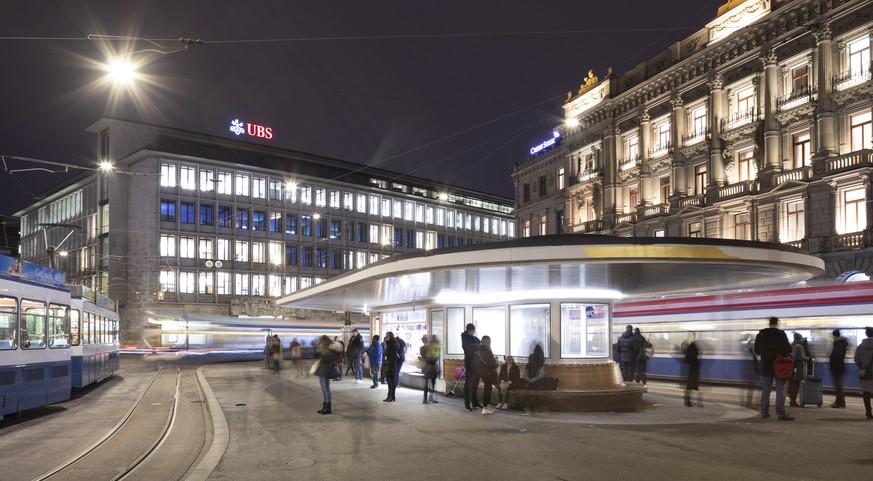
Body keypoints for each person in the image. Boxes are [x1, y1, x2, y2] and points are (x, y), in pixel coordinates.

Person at [755, 317, 794, 421]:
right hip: (780, 366)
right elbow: (789, 349)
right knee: (780, 390)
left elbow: (757, 351)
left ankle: (764, 412)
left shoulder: (761, 335)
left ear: (769, 323)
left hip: (766, 366)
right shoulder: (781, 335)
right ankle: (781, 414)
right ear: (777, 323)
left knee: (766, 390)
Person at [315, 335, 343, 415]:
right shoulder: (325, 348)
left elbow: (330, 359)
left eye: (321, 342)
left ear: (325, 341)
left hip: (326, 371)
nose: (321, 344)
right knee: (324, 389)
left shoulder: (331, 348)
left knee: (326, 389)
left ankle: (328, 408)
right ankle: (325, 406)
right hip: (322, 370)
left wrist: (321, 356)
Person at [461, 323, 482, 412]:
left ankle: (474, 402)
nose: (473, 332)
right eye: (472, 330)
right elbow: (468, 348)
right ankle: (467, 404)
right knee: (468, 384)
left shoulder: (475, 338)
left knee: (475, 383)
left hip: (477, 364)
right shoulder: (465, 338)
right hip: (469, 364)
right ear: (469, 330)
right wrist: (476, 349)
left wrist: (476, 349)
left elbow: (480, 346)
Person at [476, 335, 499, 415]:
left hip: (481, 371)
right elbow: (491, 363)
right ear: (487, 341)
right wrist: (496, 364)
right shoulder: (486, 350)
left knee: (487, 387)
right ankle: (485, 407)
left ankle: (487, 406)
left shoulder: (479, 349)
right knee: (488, 388)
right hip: (487, 372)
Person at [520, 344, 546, 414]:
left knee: (534, 387)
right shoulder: (527, 366)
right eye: (530, 359)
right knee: (526, 387)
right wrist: (528, 379)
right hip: (529, 382)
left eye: (532, 359)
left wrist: (532, 380)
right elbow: (525, 375)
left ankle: (535, 405)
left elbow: (540, 376)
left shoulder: (539, 366)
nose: (531, 360)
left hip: (537, 382)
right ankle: (529, 405)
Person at [854, 326, 873, 420]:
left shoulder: (861, 346)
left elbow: (856, 359)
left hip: (866, 372)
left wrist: (862, 367)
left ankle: (868, 413)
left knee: (866, 392)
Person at [788, 332, 810, 407]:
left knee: (792, 384)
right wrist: (808, 358)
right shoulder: (799, 346)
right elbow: (801, 357)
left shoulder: (792, 345)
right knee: (795, 384)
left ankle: (792, 400)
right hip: (798, 367)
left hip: (792, 367)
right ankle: (793, 401)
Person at [829, 329, 848, 408]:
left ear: (835, 336)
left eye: (833, 336)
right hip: (839, 366)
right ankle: (838, 401)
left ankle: (841, 402)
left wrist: (831, 358)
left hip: (837, 366)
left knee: (838, 385)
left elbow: (837, 355)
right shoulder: (841, 343)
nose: (833, 338)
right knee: (838, 385)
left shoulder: (839, 343)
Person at [683, 334, 702, 407]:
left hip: (692, 367)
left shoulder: (690, 346)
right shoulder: (693, 346)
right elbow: (692, 356)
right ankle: (688, 401)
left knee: (690, 385)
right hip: (693, 367)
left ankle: (688, 400)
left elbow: (687, 358)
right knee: (692, 385)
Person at [421, 335, 441, 404]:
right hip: (427, 366)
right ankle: (425, 398)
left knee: (433, 383)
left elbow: (437, 357)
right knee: (426, 384)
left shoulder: (433, 347)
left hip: (432, 366)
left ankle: (431, 398)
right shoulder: (424, 348)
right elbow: (425, 357)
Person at [382, 332, 400, 402]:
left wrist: (389, 365)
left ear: (391, 337)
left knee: (391, 381)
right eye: (386, 336)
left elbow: (393, 356)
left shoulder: (392, 345)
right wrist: (385, 344)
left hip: (391, 365)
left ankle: (391, 396)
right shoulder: (388, 344)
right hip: (389, 364)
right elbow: (385, 353)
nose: (386, 337)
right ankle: (390, 396)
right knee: (389, 381)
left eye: (387, 336)